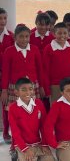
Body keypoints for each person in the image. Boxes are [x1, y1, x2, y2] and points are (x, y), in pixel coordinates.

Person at [1, 24, 44, 144]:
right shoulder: (9, 51)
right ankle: (7, 132)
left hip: (32, 86)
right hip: (14, 86)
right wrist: (4, 90)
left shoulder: (34, 49)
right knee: (11, 109)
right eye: (21, 36)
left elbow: (40, 69)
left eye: (27, 36)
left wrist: (41, 86)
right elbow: (5, 72)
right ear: (15, 37)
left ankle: (30, 133)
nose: (24, 39)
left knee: (30, 109)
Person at [8, 77, 54, 161]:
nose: (28, 92)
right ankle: (16, 155)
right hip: (22, 145)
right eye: (24, 89)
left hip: (37, 143)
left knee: (49, 159)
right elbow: (15, 132)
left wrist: (44, 144)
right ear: (16, 92)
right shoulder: (13, 108)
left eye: (30, 89)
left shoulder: (39, 103)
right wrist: (25, 149)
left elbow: (44, 126)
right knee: (28, 159)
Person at [42, 22, 70, 103]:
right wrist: (47, 89)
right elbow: (45, 69)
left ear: (68, 34)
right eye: (59, 33)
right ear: (54, 34)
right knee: (56, 109)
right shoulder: (48, 48)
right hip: (55, 85)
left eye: (65, 33)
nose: (62, 36)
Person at [0, 8, 14, 144]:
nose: (2, 21)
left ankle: (6, 132)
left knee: (6, 106)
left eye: (4, 18)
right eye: (0, 18)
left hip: (6, 78)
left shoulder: (11, 36)